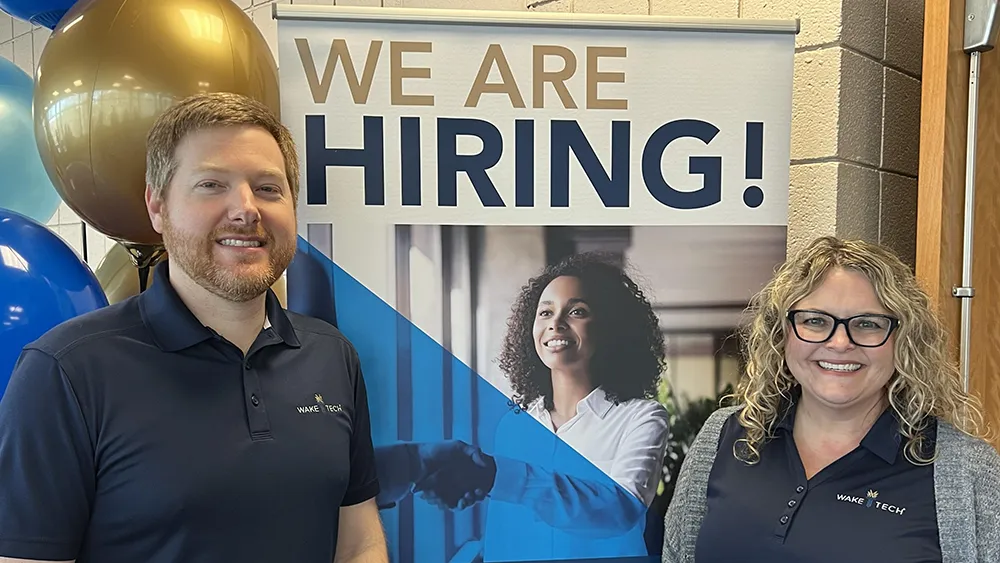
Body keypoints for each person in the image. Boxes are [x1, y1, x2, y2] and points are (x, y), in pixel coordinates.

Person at [0, 92, 387, 563]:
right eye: (211, 184)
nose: (246, 209)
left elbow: (358, 541)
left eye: (268, 188)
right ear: (157, 206)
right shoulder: (65, 372)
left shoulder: (332, 356)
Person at [662, 236, 1000, 563]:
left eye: (867, 323)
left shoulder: (965, 469)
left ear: (904, 341)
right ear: (782, 335)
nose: (839, 343)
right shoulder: (724, 435)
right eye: (815, 321)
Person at [384, 252, 670, 562]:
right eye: (545, 312)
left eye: (577, 311)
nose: (556, 323)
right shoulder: (515, 424)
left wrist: (496, 475)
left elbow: (620, 510)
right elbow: (505, 529)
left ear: (610, 326)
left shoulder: (641, 418)